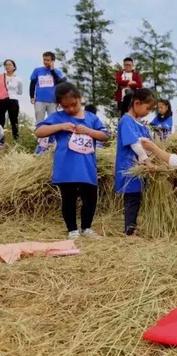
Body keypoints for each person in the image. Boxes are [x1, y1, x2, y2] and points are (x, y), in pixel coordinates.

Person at [34, 82, 109, 239]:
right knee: (68, 199)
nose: (70, 109)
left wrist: (88, 131)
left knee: (90, 198)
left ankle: (87, 228)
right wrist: (61, 126)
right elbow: (39, 132)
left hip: (87, 167)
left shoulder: (92, 118)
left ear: (80, 98)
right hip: (66, 168)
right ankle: (72, 230)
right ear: (60, 105)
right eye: (65, 106)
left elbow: (105, 136)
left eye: (73, 105)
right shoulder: (58, 117)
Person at [114, 88, 156, 236]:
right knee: (131, 199)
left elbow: (147, 144)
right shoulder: (126, 121)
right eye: (148, 108)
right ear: (137, 103)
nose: (148, 112)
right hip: (130, 168)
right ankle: (129, 229)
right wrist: (146, 161)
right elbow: (134, 144)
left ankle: (133, 226)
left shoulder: (141, 125)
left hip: (140, 168)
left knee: (137, 198)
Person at [30, 51, 67, 154]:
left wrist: (52, 70)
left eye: (48, 60)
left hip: (53, 101)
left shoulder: (57, 71)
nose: (45, 62)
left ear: (52, 61)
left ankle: (51, 141)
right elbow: (32, 83)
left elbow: (61, 83)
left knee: (53, 121)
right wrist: (32, 96)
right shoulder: (37, 71)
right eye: (44, 59)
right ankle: (40, 143)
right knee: (40, 120)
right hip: (40, 100)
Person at [0, 59, 23, 146]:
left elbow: (20, 92)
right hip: (1, 100)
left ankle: (16, 141)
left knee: (14, 121)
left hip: (13, 100)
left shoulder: (18, 79)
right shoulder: (1, 77)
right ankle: (1, 141)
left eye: (9, 64)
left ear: (14, 67)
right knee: (0, 121)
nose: (7, 66)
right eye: (6, 65)